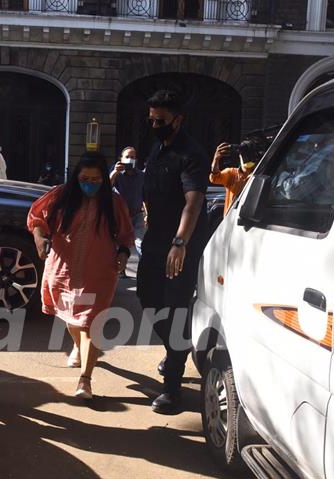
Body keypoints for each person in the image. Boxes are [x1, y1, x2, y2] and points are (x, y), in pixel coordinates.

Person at [27, 152, 134, 400]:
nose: (90, 184)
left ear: (104, 180)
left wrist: (124, 253)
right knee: (72, 319)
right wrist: (40, 238)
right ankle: (78, 346)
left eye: (96, 180)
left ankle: (85, 380)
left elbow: (126, 233)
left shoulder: (113, 202)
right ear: (76, 177)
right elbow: (36, 218)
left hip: (99, 273)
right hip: (64, 271)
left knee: (89, 324)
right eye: (85, 178)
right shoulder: (61, 195)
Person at [137, 90, 210, 414]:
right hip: (154, 240)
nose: (155, 125)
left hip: (180, 245)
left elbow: (194, 202)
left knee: (175, 307)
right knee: (146, 296)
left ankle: (173, 391)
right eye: (151, 119)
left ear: (178, 119)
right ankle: (176, 350)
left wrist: (179, 244)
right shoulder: (156, 149)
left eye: (161, 120)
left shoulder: (191, 153)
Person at [109, 146, 146, 277]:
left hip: (137, 214)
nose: (130, 159)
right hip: (121, 215)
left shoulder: (141, 176)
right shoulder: (117, 174)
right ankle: (121, 270)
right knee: (120, 243)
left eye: (133, 157)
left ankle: (143, 272)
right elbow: (105, 189)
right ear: (121, 159)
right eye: (127, 157)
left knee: (141, 243)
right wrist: (114, 173)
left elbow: (145, 195)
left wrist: (148, 213)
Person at [209, 139, 261, 216]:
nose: (246, 159)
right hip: (231, 223)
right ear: (239, 156)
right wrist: (216, 159)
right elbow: (215, 178)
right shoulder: (231, 174)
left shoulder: (260, 176)